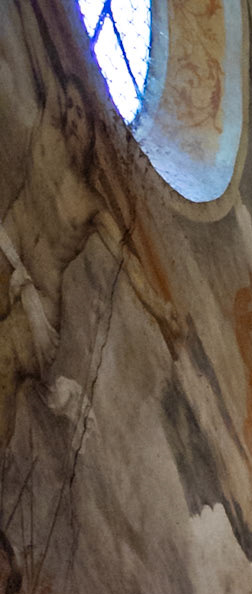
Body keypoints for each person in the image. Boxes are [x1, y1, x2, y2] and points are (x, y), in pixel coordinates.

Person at [0, 1, 182, 449]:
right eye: (72, 111)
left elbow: (129, 263)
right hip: (6, 249)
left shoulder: (93, 205)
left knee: (3, 365)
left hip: (40, 304)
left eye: (82, 115)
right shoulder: (48, 136)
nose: (75, 119)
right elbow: (39, 49)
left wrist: (161, 310)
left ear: (93, 137)